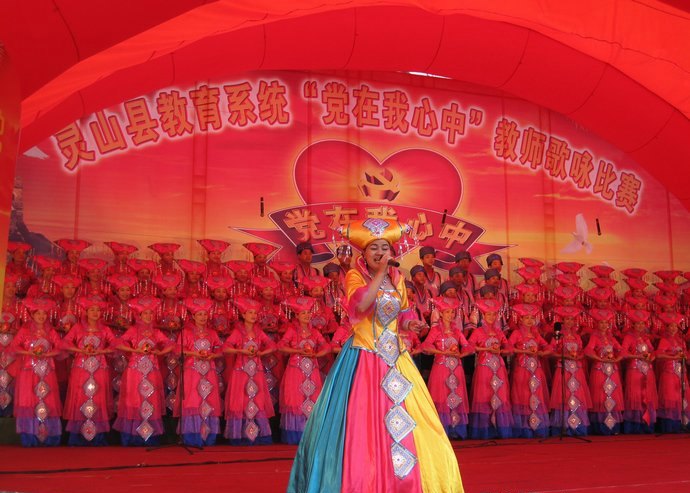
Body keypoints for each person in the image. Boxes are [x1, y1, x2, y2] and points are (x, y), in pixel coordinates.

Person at [288, 218, 463, 493]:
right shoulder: (354, 276)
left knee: (418, 421)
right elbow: (360, 307)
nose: (380, 253)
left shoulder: (398, 278)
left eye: (384, 247)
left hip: (396, 356)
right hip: (364, 355)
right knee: (363, 421)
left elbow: (402, 313)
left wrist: (410, 324)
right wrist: (380, 274)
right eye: (374, 248)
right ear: (364, 252)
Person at [113, 296, 173, 446]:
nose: (148, 316)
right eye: (145, 313)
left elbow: (171, 344)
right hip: (135, 371)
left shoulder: (156, 332)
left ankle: (149, 436)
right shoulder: (133, 330)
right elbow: (118, 343)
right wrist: (134, 350)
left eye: (151, 313)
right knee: (134, 400)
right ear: (139, 315)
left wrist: (160, 352)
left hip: (151, 370)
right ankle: (132, 436)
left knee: (150, 399)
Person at [62, 295, 115, 445]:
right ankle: (78, 436)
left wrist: (102, 351)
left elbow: (115, 344)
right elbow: (65, 343)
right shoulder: (78, 328)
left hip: (99, 368)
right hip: (81, 368)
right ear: (86, 312)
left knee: (98, 397)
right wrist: (80, 350)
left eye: (98, 310)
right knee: (81, 397)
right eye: (92, 310)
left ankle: (98, 437)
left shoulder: (105, 329)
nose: (95, 313)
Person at [223, 297, 277, 445]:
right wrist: (241, 351)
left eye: (255, 313)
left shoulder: (259, 332)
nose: (253, 315)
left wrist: (261, 353)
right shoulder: (238, 332)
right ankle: (239, 436)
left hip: (256, 371)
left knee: (257, 400)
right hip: (241, 371)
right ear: (243, 315)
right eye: (250, 312)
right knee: (240, 401)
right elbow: (226, 347)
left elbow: (273, 346)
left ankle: (258, 435)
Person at [10, 298, 63, 446]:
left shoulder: (50, 331)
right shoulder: (25, 330)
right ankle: (30, 437)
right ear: (32, 315)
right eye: (38, 313)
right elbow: (14, 346)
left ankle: (49, 437)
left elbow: (60, 347)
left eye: (44, 313)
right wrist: (29, 352)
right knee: (29, 400)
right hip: (29, 371)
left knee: (47, 398)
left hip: (46, 371)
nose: (41, 316)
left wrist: (48, 354)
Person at [420, 297, 473, 440]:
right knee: (442, 397)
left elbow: (468, 346)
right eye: (447, 312)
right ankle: (442, 430)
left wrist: (461, 354)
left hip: (456, 367)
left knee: (456, 395)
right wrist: (443, 352)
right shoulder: (436, 330)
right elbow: (426, 346)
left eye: (452, 312)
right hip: (441, 367)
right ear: (441, 314)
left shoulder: (457, 331)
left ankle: (456, 429)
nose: (450, 315)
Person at [175, 297, 223, 446]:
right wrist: (194, 353)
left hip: (208, 371)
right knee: (193, 400)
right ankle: (192, 437)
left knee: (209, 399)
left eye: (205, 314)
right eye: (199, 314)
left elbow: (220, 350)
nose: (203, 317)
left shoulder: (212, 333)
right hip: (192, 371)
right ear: (193, 316)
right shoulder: (186, 332)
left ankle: (208, 437)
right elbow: (178, 350)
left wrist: (213, 355)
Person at [468, 299, 513, 439]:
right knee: (484, 395)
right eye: (489, 314)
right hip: (484, 368)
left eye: (494, 315)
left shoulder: (499, 332)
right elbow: (470, 346)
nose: (491, 317)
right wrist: (486, 349)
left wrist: (501, 350)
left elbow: (509, 348)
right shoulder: (478, 331)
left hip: (498, 368)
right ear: (483, 315)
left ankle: (500, 428)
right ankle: (484, 429)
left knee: (499, 394)